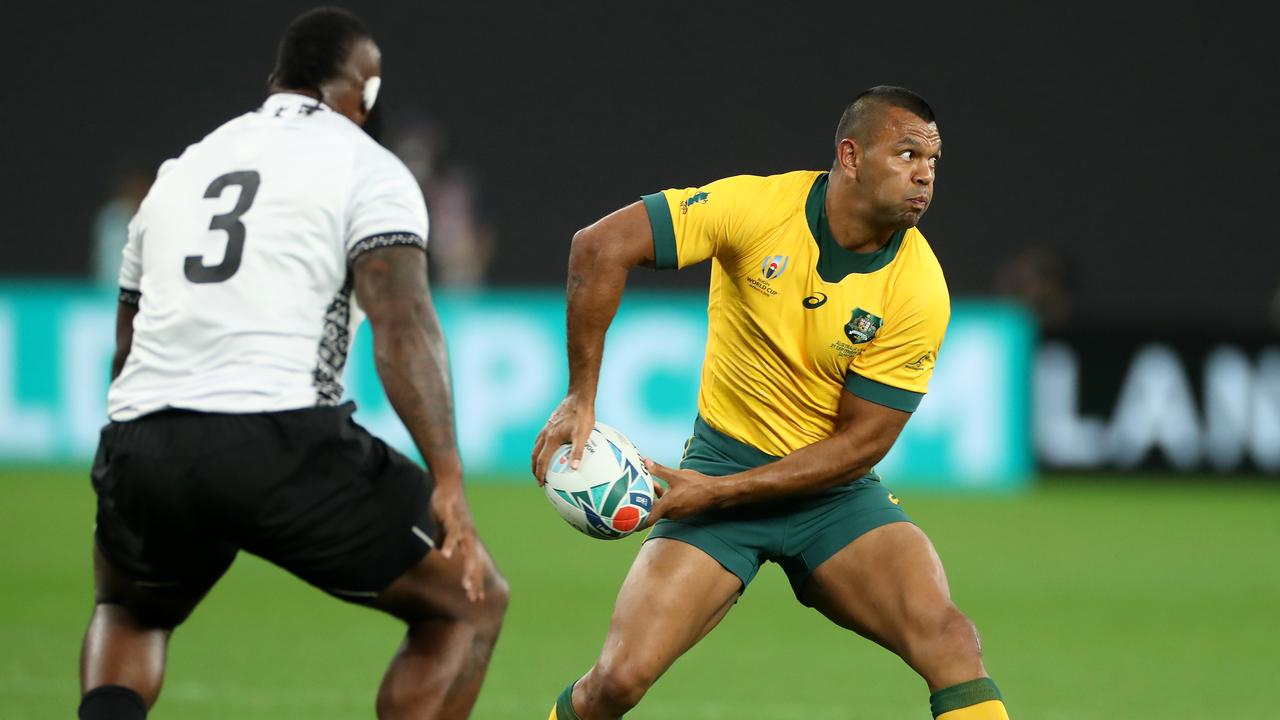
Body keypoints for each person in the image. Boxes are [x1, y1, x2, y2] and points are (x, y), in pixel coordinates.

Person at [78, 9, 507, 720]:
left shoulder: (183, 169)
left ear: (275, 80)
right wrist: (448, 476)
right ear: (364, 95)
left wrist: (142, 453)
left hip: (144, 435)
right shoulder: (369, 167)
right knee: (470, 602)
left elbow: (129, 339)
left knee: (130, 610)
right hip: (278, 438)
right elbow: (402, 325)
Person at [533, 86, 1010, 720]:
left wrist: (716, 495)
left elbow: (860, 444)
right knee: (617, 681)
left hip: (830, 495)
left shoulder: (920, 288)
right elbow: (598, 246)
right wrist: (579, 395)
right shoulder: (758, 208)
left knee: (952, 643)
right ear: (851, 155)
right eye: (906, 153)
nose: (925, 173)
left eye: (934, 160)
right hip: (722, 462)